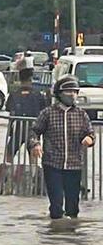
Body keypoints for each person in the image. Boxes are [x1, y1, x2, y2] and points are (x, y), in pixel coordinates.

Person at [32, 75, 95, 221]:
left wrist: (90, 139)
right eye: (68, 91)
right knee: (56, 206)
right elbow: (34, 131)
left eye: (75, 91)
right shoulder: (48, 113)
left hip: (74, 166)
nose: (72, 94)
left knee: (73, 208)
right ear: (59, 94)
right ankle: (55, 235)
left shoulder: (81, 114)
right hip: (52, 165)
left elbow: (91, 133)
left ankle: (70, 237)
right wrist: (35, 144)